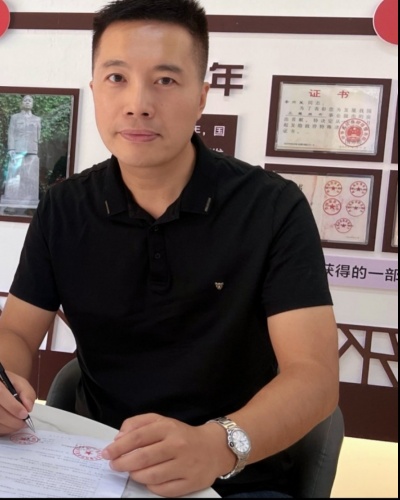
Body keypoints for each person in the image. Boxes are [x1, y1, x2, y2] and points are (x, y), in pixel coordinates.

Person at [0, 0, 339, 497]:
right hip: (96, 465)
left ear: (201, 97)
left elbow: (314, 376)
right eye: (117, 78)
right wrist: (4, 378)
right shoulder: (64, 208)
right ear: (95, 90)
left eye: (165, 79)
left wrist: (217, 446)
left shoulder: (272, 208)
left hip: (235, 475)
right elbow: (16, 330)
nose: (137, 103)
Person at [0, 95, 41, 209]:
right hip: (18, 149)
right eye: (25, 100)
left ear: (32, 103)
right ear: (21, 103)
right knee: (14, 174)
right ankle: (12, 198)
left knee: (29, 174)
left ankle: (29, 198)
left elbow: (38, 135)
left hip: (32, 150)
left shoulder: (37, 119)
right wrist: (11, 149)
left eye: (30, 101)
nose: (27, 102)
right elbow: (11, 133)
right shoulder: (15, 117)